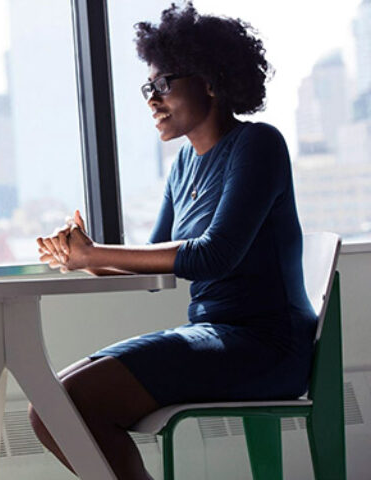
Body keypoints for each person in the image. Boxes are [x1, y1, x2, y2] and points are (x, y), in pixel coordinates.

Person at [32, 3, 317, 479]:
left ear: (209, 80)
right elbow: (158, 267)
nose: (151, 99)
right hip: (214, 337)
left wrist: (94, 252)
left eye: (163, 84)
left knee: (67, 407)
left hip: (266, 346)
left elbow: (214, 255)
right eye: (149, 87)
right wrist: (79, 257)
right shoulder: (183, 166)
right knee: (50, 408)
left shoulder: (258, 145)